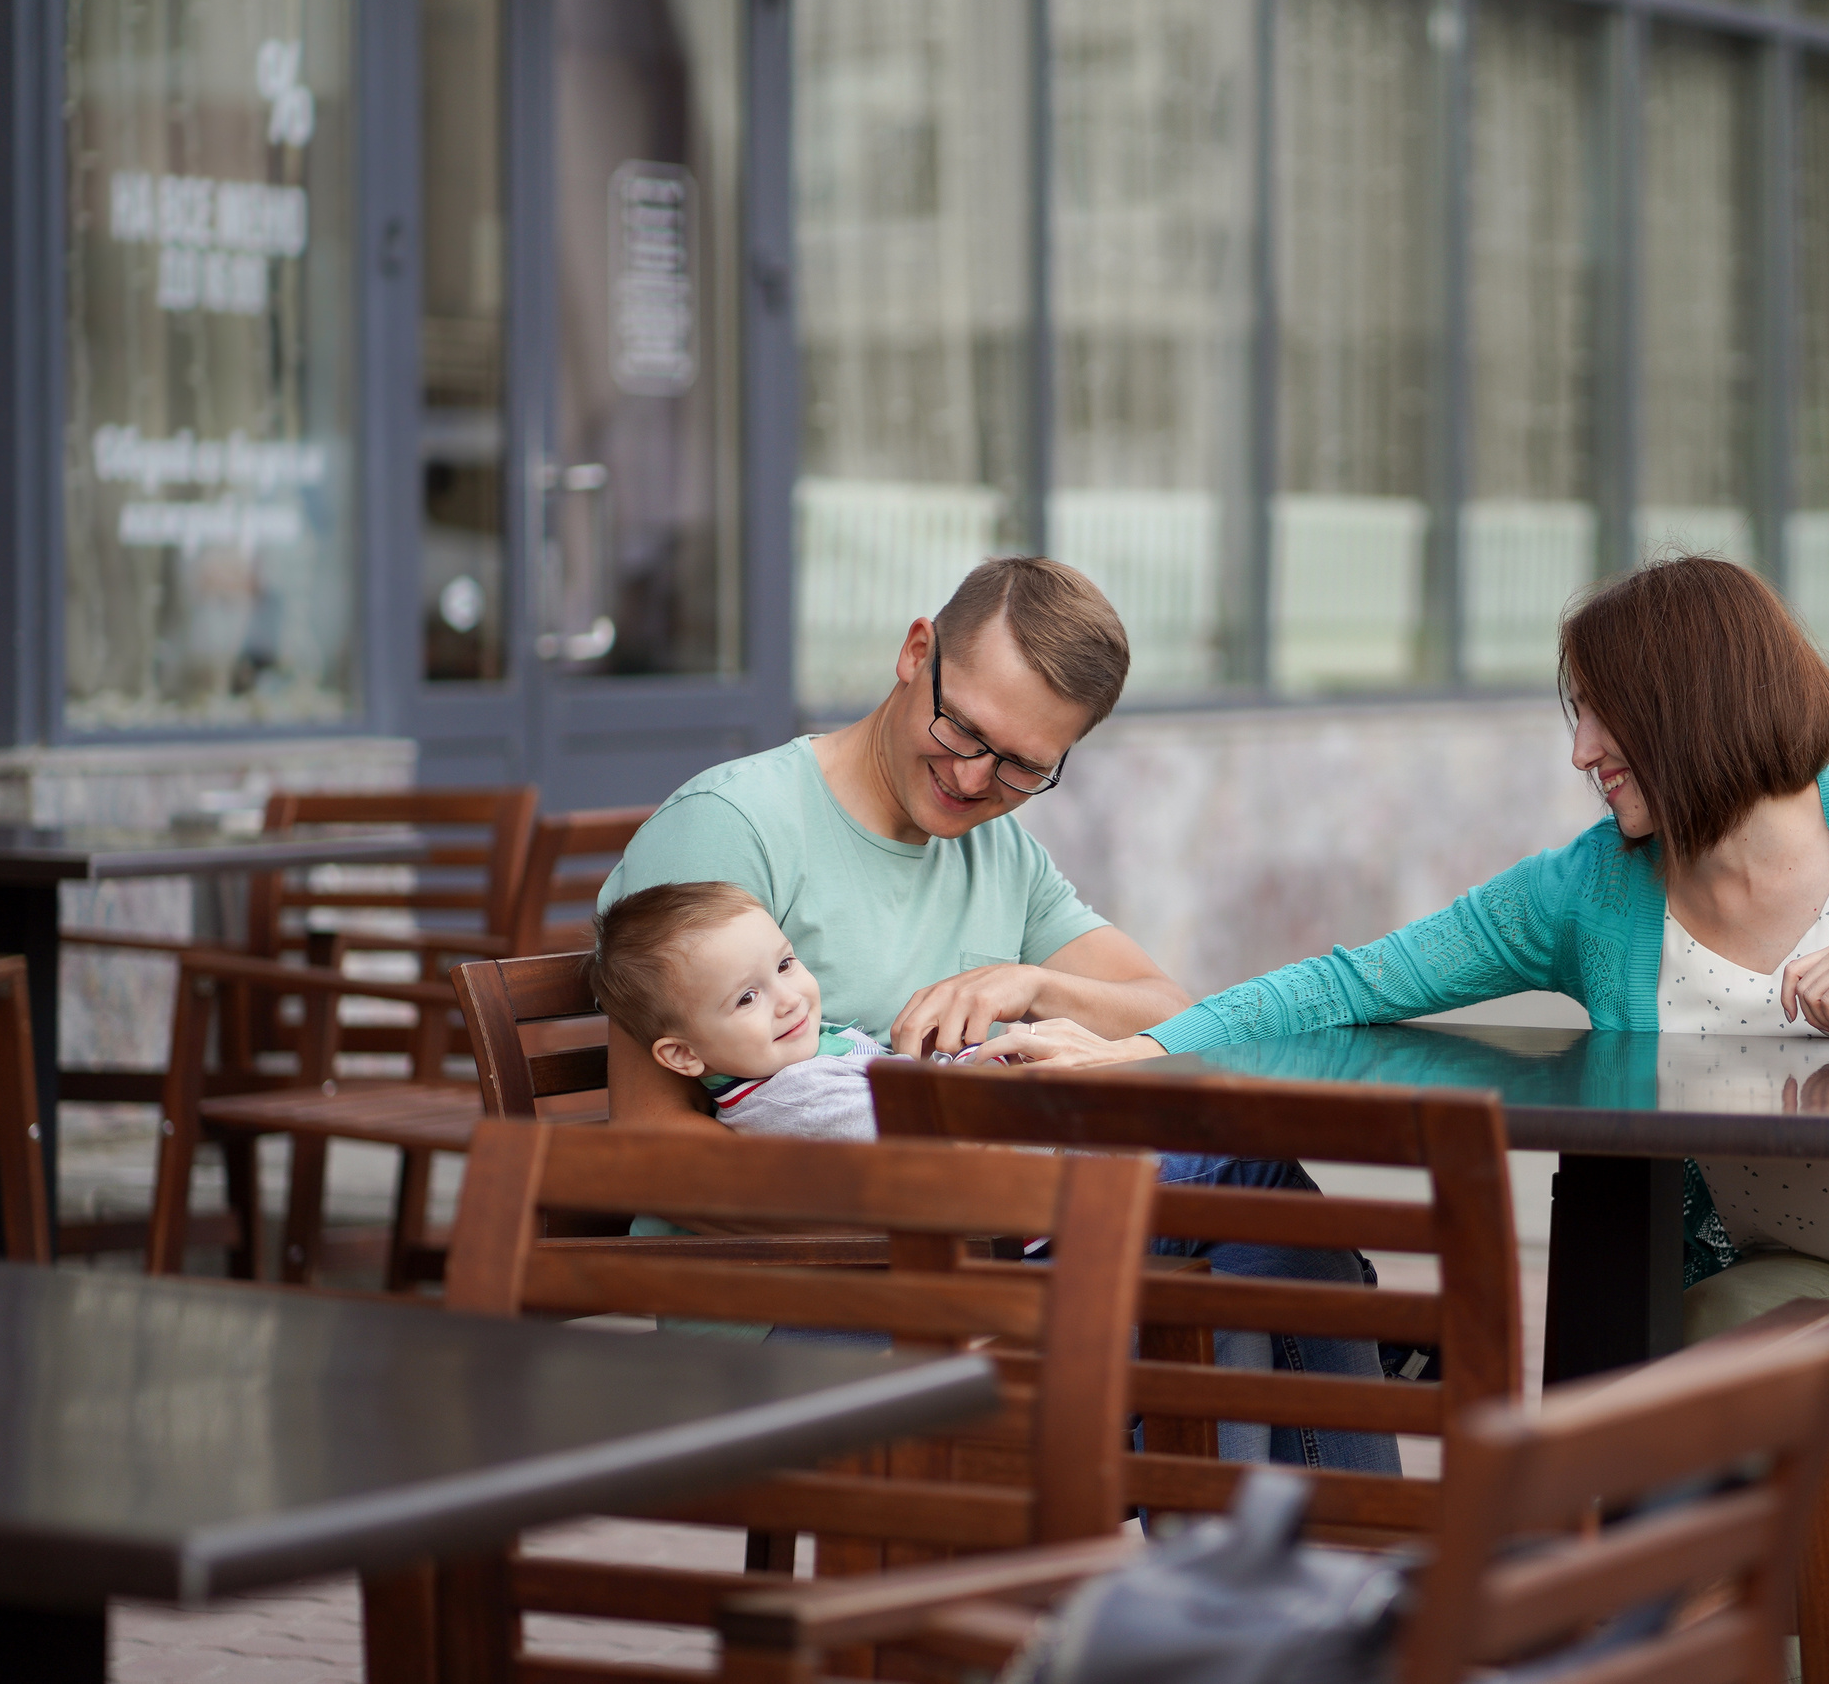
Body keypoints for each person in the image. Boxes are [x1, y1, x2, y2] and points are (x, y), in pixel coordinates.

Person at [984, 556, 1829, 1501]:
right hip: (1806, 1265)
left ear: (1688, 705)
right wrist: (1137, 1051)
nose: (1579, 752)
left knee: (1744, 1446)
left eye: (1599, 716)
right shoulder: (1593, 887)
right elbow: (1355, 980)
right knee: (1617, 1414)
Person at [600, 556, 1398, 1472]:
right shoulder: (734, 826)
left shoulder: (998, 853)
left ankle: (1282, 1568)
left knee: (1235, 1266)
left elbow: (1169, 1015)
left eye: (1022, 765)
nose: (975, 780)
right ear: (914, 653)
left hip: (982, 1260)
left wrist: (1037, 984)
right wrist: (950, 1211)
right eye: (962, 730)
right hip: (808, 1304)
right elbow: (653, 1154)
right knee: (1239, 1256)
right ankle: (1321, 1543)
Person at [589, 881, 887, 1141]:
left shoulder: (800, 1063)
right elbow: (922, 1130)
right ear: (684, 1055)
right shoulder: (806, 1104)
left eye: (784, 965)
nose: (790, 1000)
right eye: (746, 998)